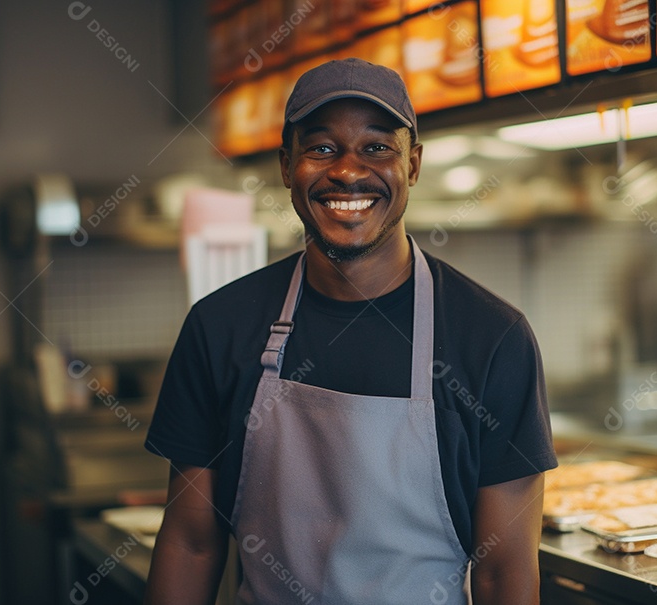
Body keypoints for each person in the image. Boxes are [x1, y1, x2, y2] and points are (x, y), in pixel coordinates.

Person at [143, 58, 556, 605]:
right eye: (321, 148)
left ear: (412, 164)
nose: (347, 171)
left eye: (377, 147)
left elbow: (504, 572)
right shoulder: (219, 326)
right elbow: (191, 542)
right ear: (286, 166)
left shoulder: (493, 338)